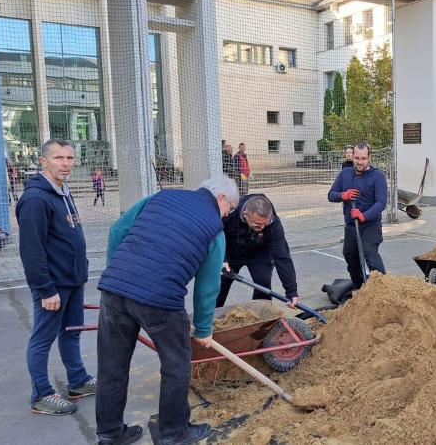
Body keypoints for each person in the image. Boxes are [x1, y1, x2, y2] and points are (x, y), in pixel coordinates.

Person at [95, 177, 239, 445]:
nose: (227, 216)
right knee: (176, 366)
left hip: (113, 291)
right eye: (229, 210)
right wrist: (204, 330)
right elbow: (207, 287)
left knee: (111, 367)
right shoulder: (214, 230)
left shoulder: (159, 197)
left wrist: (120, 273)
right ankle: (173, 434)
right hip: (160, 300)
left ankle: (110, 434)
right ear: (221, 199)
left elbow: (117, 231)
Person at [15, 139, 96, 416]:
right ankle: (41, 394)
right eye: (59, 158)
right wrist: (46, 289)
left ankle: (78, 381)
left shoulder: (62, 190)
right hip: (53, 285)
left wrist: (80, 271)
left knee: (71, 333)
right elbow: (31, 250)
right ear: (43, 161)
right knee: (43, 338)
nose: (65, 164)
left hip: (73, 280)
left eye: (70, 158)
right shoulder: (36, 199)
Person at [216, 194, 300, 308]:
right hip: (231, 252)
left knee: (263, 284)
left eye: (265, 223)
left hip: (259, 253)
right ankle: (210, 316)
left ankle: (260, 315)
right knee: (220, 283)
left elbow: (282, 256)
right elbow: (217, 235)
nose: (262, 228)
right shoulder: (230, 213)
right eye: (258, 224)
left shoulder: (273, 223)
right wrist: (223, 258)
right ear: (246, 214)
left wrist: (292, 292)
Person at [327, 141, 387, 289]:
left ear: (369, 158)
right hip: (350, 226)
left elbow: (381, 203)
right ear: (352, 157)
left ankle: (384, 289)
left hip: (370, 225)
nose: (360, 162)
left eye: (363, 158)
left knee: (369, 254)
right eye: (357, 158)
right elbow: (331, 195)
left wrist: (364, 215)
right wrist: (344, 195)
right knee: (350, 255)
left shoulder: (377, 176)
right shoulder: (345, 174)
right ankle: (360, 288)